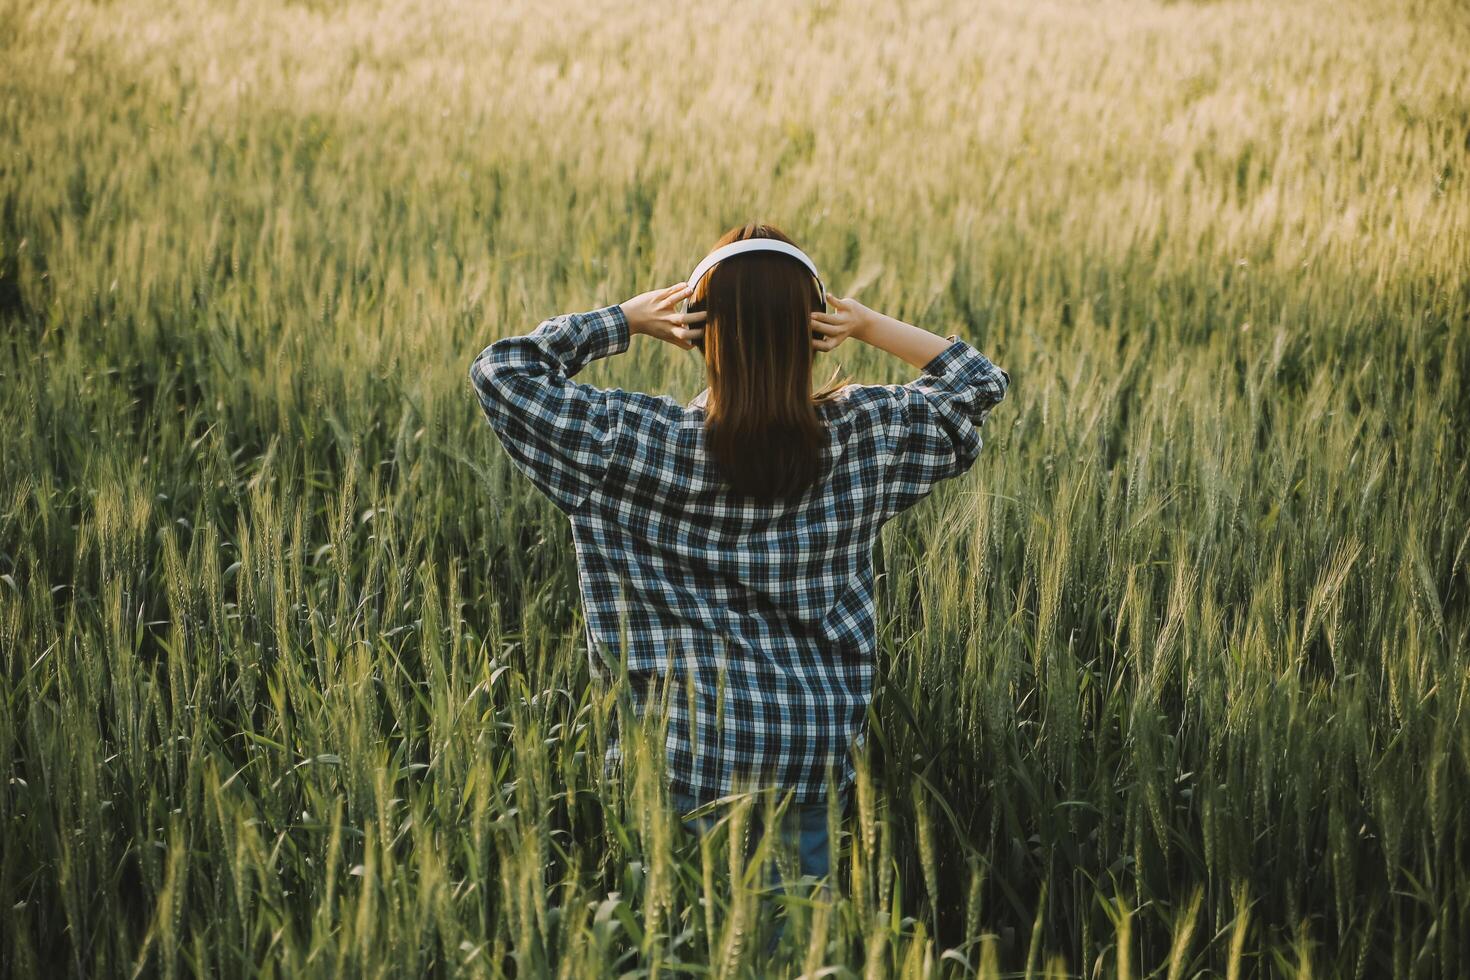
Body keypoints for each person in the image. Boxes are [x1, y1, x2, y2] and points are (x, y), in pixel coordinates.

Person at [468, 221, 1009, 937]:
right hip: (806, 750)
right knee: (795, 942)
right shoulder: (866, 438)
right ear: (815, 331)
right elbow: (976, 382)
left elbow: (501, 373)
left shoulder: (630, 443)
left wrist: (624, 319)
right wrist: (870, 324)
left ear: (698, 333)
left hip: (678, 753)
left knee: (677, 940)